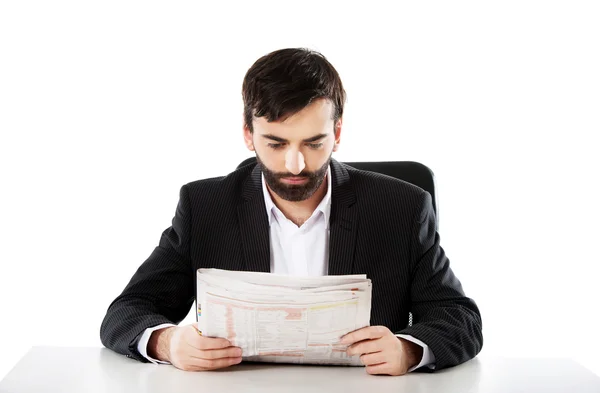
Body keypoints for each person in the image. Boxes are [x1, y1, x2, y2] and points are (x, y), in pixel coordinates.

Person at [100, 48, 483, 376]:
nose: (296, 164)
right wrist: (168, 343)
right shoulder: (205, 207)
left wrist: (408, 350)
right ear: (248, 134)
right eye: (276, 143)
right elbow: (128, 311)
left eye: (314, 143)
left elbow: (459, 318)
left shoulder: (402, 208)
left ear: (337, 132)